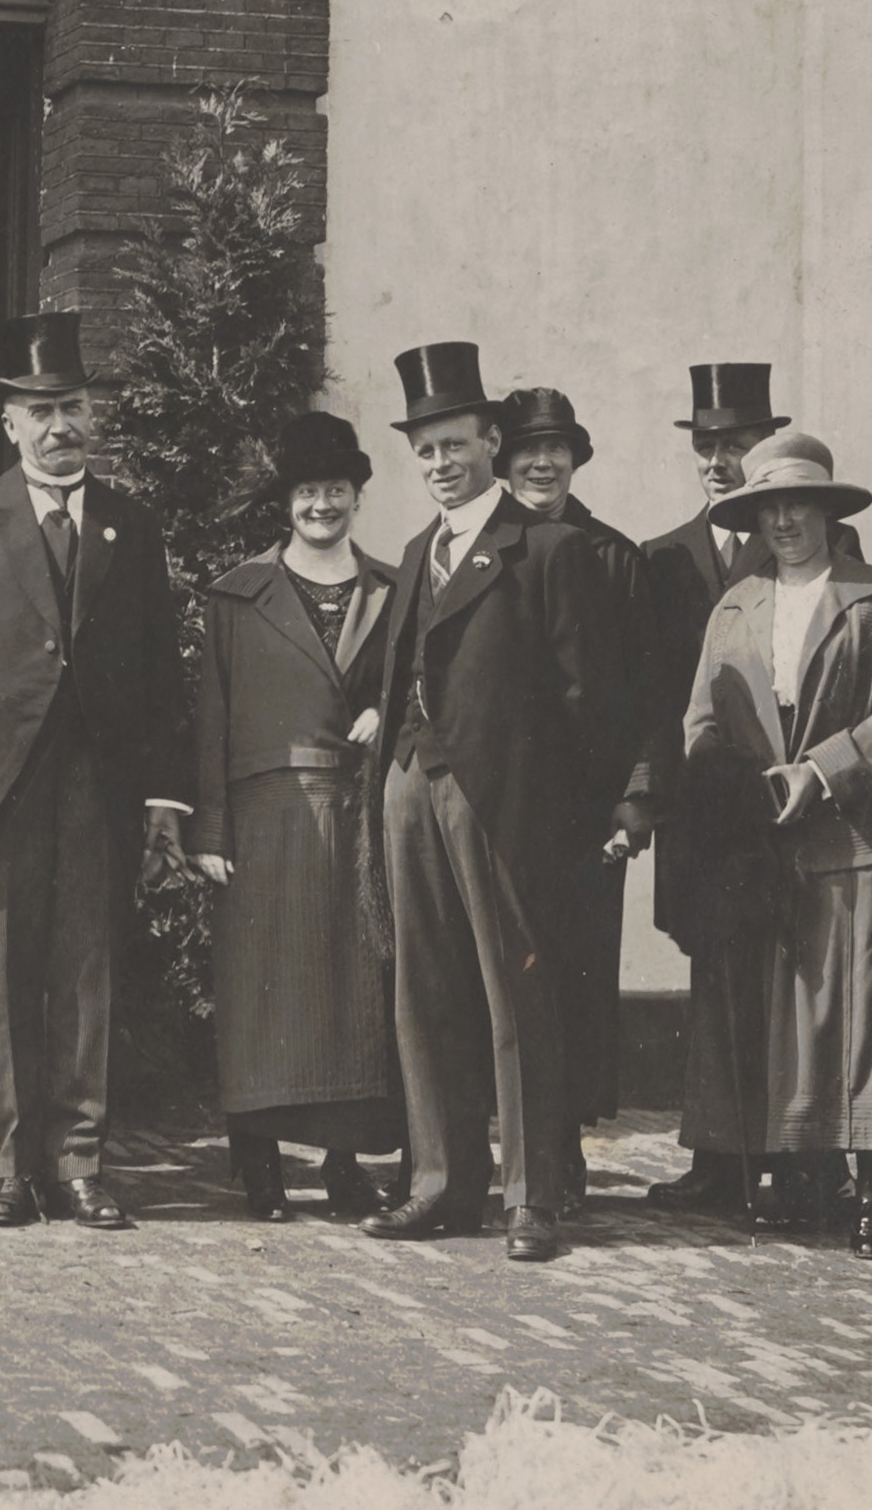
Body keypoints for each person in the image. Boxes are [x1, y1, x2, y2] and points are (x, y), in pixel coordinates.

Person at [0, 313, 190, 1231]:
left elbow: (158, 671)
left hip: (94, 785)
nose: (59, 425)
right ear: (11, 424)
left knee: (85, 973)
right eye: (40, 411)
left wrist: (161, 793)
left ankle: (79, 1164)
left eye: (72, 407)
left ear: (91, 416)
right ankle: (11, 1164)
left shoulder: (130, 526)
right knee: (2, 977)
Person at [363, 342, 617, 1264]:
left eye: (455, 444)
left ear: (491, 441)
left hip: (503, 801)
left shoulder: (545, 549)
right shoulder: (415, 549)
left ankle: (531, 1195)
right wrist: (394, 766)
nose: (439, 464)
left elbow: (587, 699)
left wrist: (556, 818)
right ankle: (439, 1182)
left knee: (518, 995)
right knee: (422, 992)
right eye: (425, 449)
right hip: (412, 785)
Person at [682, 432, 872, 1256]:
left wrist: (821, 771)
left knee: (859, 1019)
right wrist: (739, 789)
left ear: (828, 508)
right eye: (768, 507)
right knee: (789, 1016)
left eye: (799, 503)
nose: (784, 519)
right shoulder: (735, 605)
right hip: (766, 846)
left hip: (854, 839)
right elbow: (701, 723)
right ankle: (799, 1175)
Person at [639, 363, 853, 1213]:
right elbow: (659, 695)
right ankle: (720, 1158)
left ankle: (808, 1158)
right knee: (716, 973)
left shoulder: (823, 547)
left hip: (802, 810)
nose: (720, 460)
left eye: (737, 444)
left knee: (805, 978)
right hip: (710, 810)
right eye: (707, 445)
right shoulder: (663, 559)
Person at [186, 411, 403, 1221]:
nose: (322, 505)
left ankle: (346, 1163)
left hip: (361, 820)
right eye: (308, 491)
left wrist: (386, 712)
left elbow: (416, 684)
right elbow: (211, 718)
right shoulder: (236, 595)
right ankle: (262, 1166)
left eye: (336, 490)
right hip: (269, 819)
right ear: (287, 501)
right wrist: (210, 830)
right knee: (266, 995)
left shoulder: (392, 587)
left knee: (356, 996)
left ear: (356, 496)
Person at [496, 388, 654, 1211]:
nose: (543, 461)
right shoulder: (484, 551)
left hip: (586, 813)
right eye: (527, 448)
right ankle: (516, 1150)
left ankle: (562, 1152)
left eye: (558, 446)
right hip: (500, 805)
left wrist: (633, 800)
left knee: (575, 981)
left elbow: (643, 694)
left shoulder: (615, 557)